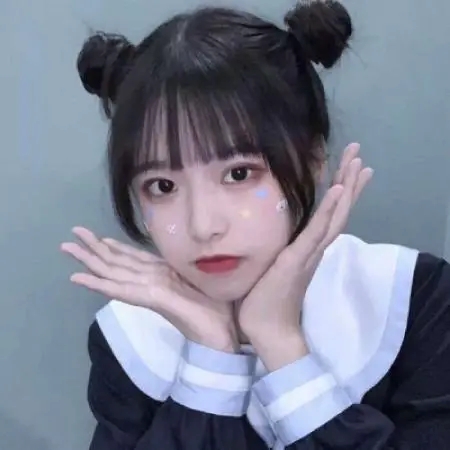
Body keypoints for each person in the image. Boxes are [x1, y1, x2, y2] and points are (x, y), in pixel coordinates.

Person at [61, 1, 450, 449]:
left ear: (313, 162)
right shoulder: (129, 339)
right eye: (162, 186)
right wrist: (211, 355)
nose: (203, 226)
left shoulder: (410, 298)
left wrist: (280, 341)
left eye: (239, 174)